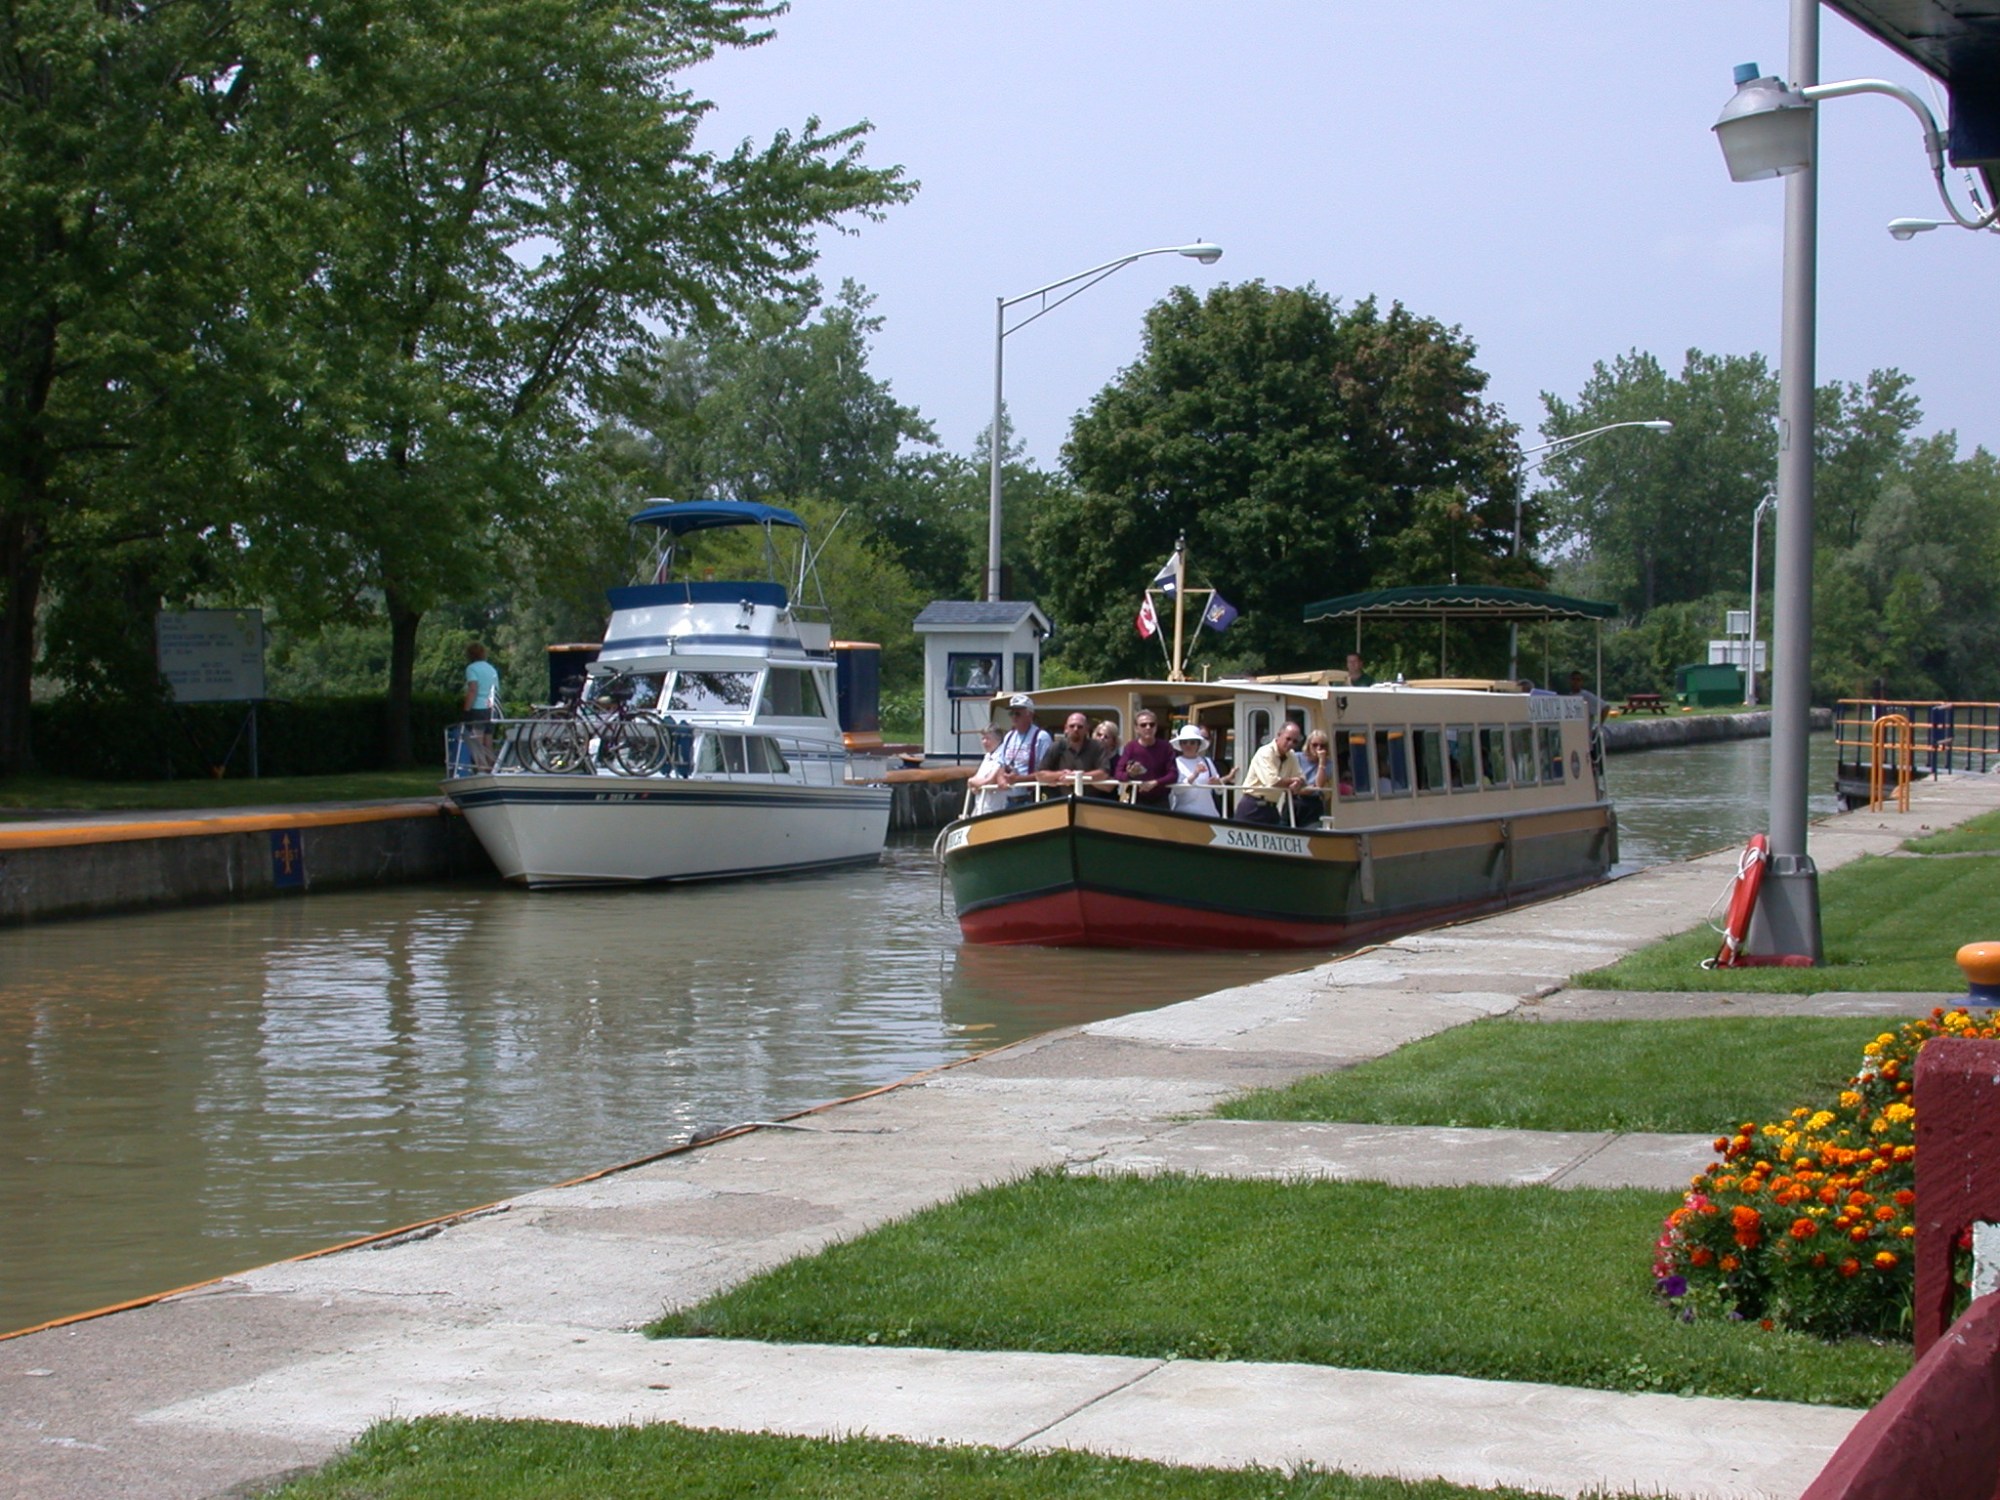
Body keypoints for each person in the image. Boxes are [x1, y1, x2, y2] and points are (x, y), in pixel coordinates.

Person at [1234, 719, 1307, 825]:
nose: (1290, 743)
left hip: (1272, 809)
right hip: (1252, 808)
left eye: (1295, 741)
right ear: (1279, 735)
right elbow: (1272, 781)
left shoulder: (1291, 755)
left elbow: (1302, 778)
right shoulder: (1265, 752)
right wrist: (1292, 780)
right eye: (1288, 739)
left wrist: (1298, 782)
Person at [1037, 710, 1113, 795]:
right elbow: (1040, 775)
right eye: (1072, 726)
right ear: (1066, 729)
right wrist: (1061, 774)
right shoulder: (1056, 747)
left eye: (1080, 727)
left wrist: (1077, 777)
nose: (1075, 729)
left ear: (1086, 729)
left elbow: (1104, 773)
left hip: (1091, 802)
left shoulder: (1097, 747)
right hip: (1061, 802)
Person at [1114, 709, 1177, 807]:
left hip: (1161, 799)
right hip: (1137, 798)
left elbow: (1173, 775)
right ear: (1136, 728)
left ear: (1156, 727)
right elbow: (1118, 774)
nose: (1148, 727)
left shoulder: (1166, 747)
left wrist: (1155, 783)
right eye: (1143, 725)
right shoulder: (1131, 747)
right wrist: (1131, 775)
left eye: (1152, 724)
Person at [998, 694, 1052, 804]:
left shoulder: (1041, 737)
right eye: (1011, 713)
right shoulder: (1009, 736)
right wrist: (1001, 779)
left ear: (1030, 715)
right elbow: (1001, 764)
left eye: (1018, 713)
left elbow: (1045, 772)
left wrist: (1018, 779)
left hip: (1031, 799)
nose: (1014, 717)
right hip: (1009, 800)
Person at [1168, 724, 1228, 817]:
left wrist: (1217, 783)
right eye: (1184, 742)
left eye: (1192, 742)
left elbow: (1219, 791)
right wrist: (1195, 774)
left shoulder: (1207, 761)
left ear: (1198, 745)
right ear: (1180, 744)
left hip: (1209, 814)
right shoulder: (1175, 763)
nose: (1188, 745)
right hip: (1184, 815)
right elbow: (1177, 790)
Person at [461, 642, 500, 769]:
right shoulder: (491, 668)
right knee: (488, 740)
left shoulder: (471, 669)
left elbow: (473, 689)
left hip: (478, 708)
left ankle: (480, 768)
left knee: (477, 741)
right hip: (492, 707)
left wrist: (466, 710)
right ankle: (490, 767)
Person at [966, 724, 1010, 815]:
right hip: (980, 807)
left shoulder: (1002, 756)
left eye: (988, 739)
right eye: (983, 739)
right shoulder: (988, 756)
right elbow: (977, 778)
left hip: (993, 809)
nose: (984, 742)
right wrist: (974, 783)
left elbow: (988, 782)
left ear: (998, 740)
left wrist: (971, 782)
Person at [1297, 727, 1334, 821]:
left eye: (1322, 746)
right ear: (1308, 745)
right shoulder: (1297, 758)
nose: (1318, 748)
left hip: (1314, 802)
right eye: (1314, 745)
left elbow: (1319, 785)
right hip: (1295, 800)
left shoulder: (1328, 763)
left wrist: (1322, 762)